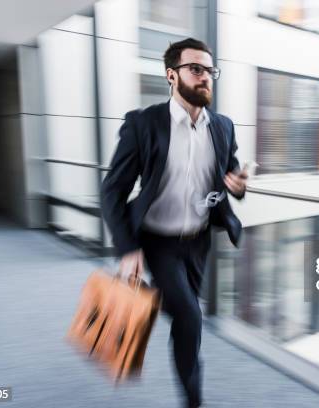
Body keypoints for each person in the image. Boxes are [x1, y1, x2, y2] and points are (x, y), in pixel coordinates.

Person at [100, 37, 247, 407]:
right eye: (195, 69)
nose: (205, 78)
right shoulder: (144, 124)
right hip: (157, 240)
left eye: (210, 71)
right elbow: (112, 191)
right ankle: (193, 399)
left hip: (198, 239)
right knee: (190, 317)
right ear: (171, 75)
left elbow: (229, 176)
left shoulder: (223, 127)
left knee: (183, 311)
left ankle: (162, 299)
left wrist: (238, 186)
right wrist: (128, 249)